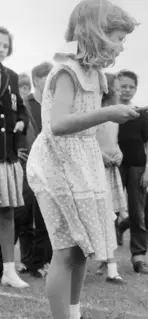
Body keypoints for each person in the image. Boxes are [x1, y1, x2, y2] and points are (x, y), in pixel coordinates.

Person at [25, 1, 139, 318]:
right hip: (57, 168)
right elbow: (59, 125)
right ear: (94, 34)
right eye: (117, 38)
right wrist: (108, 112)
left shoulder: (97, 76)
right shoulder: (66, 72)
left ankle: (74, 313)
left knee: (82, 249)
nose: (120, 47)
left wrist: (107, 140)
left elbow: (88, 125)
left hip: (83, 165)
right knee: (65, 249)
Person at [115, 70, 148, 273]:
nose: (127, 90)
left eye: (131, 87)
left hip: (137, 166)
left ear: (135, 89)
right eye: (123, 86)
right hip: (113, 165)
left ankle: (139, 257)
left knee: (138, 213)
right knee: (109, 212)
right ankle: (105, 259)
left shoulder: (142, 112)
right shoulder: (109, 110)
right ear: (116, 86)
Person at [13, 62, 54, 278]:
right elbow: (16, 128)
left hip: (48, 167)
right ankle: (12, 261)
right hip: (26, 166)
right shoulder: (25, 103)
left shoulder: (54, 103)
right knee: (21, 215)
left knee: (45, 216)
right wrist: (15, 150)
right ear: (37, 79)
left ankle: (37, 262)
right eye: (48, 76)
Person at [0, 26, 30, 288]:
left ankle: (8, 271)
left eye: (5, 46)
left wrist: (20, 124)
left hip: (4, 154)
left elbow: (21, 111)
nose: (1, 49)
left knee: (7, 212)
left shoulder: (11, 76)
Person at [94, 73, 127, 284]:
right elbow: (88, 140)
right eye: (115, 88)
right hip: (95, 169)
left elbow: (113, 142)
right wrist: (101, 155)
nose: (119, 92)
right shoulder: (96, 113)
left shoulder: (115, 117)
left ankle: (111, 267)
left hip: (110, 170)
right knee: (99, 218)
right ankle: (105, 263)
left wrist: (118, 153)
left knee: (109, 218)